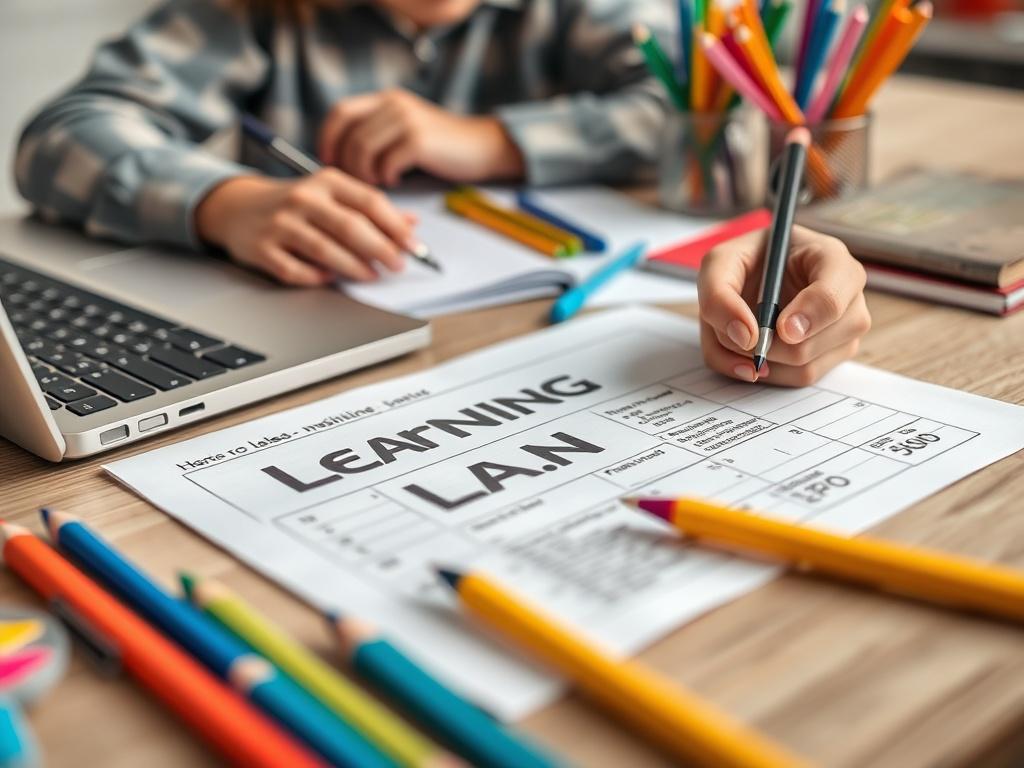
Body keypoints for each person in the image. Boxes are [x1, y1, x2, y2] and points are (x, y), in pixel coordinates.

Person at [14, 0, 870, 386]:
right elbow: (62, 134)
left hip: (522, 337)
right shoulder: (254, 14)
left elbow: (682, 105)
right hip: (329, 354)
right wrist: (222, 202)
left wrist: (491, 142)